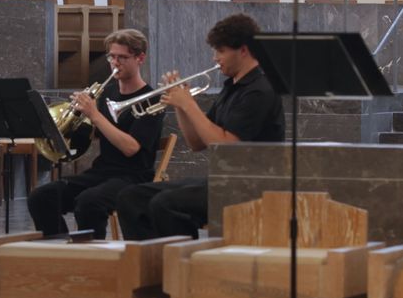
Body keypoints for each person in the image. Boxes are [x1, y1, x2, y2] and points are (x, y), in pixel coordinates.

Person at [115, 14, 284, 241]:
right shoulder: (231, 86)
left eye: (221, 51)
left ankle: (182, 264)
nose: (215, 59)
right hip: (222, 179)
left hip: (249, 185)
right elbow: (196, 143)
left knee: (165, 205)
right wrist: (180, 105)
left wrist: (189, 103)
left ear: (243, 50)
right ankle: (150, 266)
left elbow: (226, 146)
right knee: (131, 197)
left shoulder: (260, 90)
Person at [27, 29, 165, 239]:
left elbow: (131, 148)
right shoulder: (107, 93)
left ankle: (93, 260)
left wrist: (94, 114)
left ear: (140, 58)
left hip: (134, 176)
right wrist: (71, 121)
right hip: (102, 172)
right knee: (41, 197)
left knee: (89, 203)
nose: (115, 63)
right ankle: (60, 254)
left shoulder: (152, 99)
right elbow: (94, 137)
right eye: (112, 57)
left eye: (122, 57)